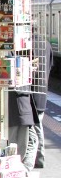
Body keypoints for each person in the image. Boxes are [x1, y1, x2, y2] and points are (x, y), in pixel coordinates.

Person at [32, 40, 53, 168]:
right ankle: (39, 157)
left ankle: (39, 158)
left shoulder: (26, 44)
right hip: (42, 91)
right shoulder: (46, 44)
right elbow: (50, 66)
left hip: (29, 92)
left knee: (36, 128)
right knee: (38, 125)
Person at [7, 90, 38, 172]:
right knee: (18, 146)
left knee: (30, 141)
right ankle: (21, 171)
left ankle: (22, 170)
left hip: (20, 110)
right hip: (19, 109)